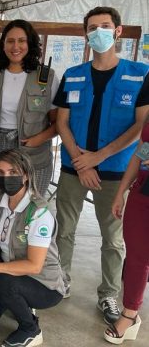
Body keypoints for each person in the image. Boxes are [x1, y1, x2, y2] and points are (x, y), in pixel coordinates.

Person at [54, 6, 149, 323]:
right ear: (86, 34)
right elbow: (62, 122)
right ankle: (60, 281)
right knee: (64, 230)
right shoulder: (73, 74)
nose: (98, 32)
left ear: (118, 31)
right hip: (73, 168)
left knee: (113, 239)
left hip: (116, 172)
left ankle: (108, 294)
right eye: (92, 27)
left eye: (105, 26)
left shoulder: (139, 74)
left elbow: (140, 126)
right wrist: (82, 163)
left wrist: (100, 157)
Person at [0, 149, 65, 347]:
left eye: (12, 172)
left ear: (26, 175)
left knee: (1, 282)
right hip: (10, 272)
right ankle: (13, 300)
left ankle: (30, 329)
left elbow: (35, 266)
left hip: (42, 283)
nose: (6, 177)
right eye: (0, 173)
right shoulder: (1, 202)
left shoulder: (39, 212)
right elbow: (0, 241)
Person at [0, 19, 59, 196]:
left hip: (32, 150)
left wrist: (38, 139)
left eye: (21, 41)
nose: (16, 46)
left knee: (30, 205)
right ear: (3, 44)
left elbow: (58, 122)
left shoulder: (46, 77)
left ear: (30, 43)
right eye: (10, 41)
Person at [104, 121, 149, 343]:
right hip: (142, 193)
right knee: (137, 258)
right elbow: (141, 151)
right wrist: (121, 192)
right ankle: (130, 314)